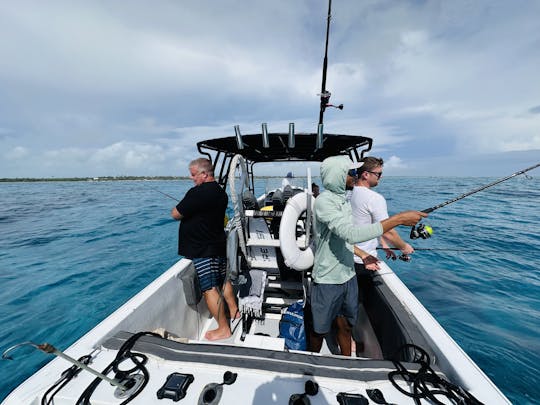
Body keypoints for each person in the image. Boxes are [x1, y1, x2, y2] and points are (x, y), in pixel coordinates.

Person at [309, 155, 426, 356]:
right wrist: (398, 219)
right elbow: (351, 234)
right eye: (351, 172)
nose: (355, 175)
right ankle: (311, 363)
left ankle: (347, 362)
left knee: (346, 326)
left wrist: (363, 254)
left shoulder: (344, 200)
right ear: (337, 176)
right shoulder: (324, 202)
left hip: (348, 276)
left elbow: (345, 239)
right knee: (318, 331)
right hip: (328, 279)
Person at [171, 158, 238, 341]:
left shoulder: (197, 193)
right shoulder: (220, 193)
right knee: (224, 281)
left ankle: (224, 328)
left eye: (193, 174)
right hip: (218, 245)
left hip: (202, 249)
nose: (192, 178)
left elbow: (175, 213)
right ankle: (234, 312)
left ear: (204, 174)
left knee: (209, 289)